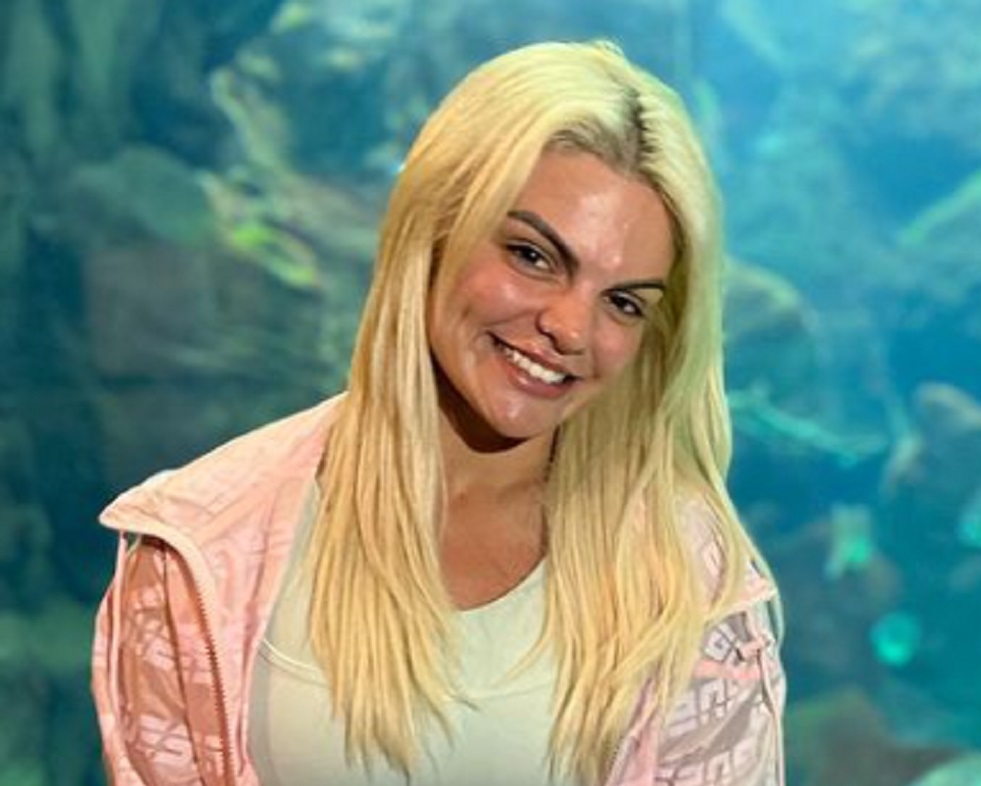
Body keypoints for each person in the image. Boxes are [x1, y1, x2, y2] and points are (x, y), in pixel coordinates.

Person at [91, 40, 785, 786]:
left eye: (623, 302)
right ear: (434, 227)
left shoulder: (688, 580)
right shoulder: (202, 544)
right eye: (533, 256)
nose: (570, 329)